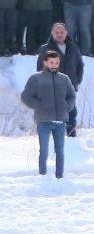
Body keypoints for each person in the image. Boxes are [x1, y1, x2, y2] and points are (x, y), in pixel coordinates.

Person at [22, 50, 75, 179]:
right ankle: (43, 176)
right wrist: (40, 106)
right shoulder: (36, 78)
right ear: (45, 62)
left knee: (60, 151)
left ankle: (59, 177)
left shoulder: (64, 78)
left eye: (57, 62)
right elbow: (26, 97)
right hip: (44, 121)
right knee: (44, 151)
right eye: (51, 62)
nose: (54, 65)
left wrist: (67, 107)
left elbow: (71, 96)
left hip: (60, 121)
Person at [36, 22, 84, 137]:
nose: (59, 35)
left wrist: (77, 81)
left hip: (70, 86)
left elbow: (80, 65)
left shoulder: (73, 47)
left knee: (71, 112)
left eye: (61, 32)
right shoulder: (45, 49)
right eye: (56, 32)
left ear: (66, 33)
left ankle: (71, 136)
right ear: (52, 33)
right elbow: (39, 69)